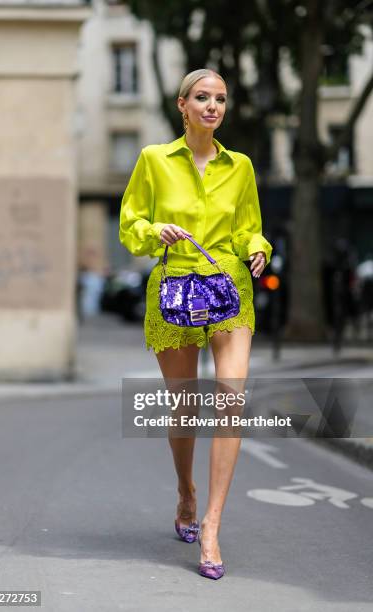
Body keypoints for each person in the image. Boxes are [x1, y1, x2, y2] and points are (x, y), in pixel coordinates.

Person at [119, 68, 272, 580]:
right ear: (182, 105)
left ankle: (211, 524)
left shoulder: (242, 166)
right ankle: (185, 490)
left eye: (221, 99)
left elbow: (251, 226)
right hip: (175, 291)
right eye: (202, 98)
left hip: (229, 291)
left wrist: (257, 249)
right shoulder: (153, 161)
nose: (212, 106)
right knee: (184, 409)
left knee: (229, 402)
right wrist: (153, 228)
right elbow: (130, 224)